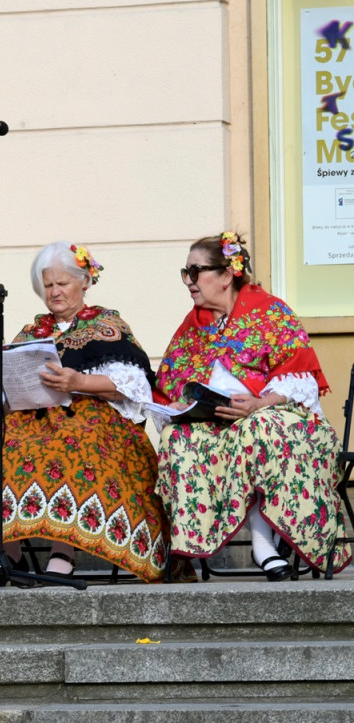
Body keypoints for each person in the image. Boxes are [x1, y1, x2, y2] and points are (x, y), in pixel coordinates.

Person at [153, 232, 350, 580]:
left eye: (196, 271)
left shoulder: (269, 311)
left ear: (227, 274)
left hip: (279, 419)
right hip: (217, 425)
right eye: (185, 272)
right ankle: (189, 546)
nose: (189, 281)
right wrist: (186, 406)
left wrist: (259, 403)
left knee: (254, 428)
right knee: (176, 438)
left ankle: (263, 545)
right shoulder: (193, 325)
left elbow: (300, 376)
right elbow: (171, 380)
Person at [0, 242, 169, 584]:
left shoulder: (108, 325)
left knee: (71, 445)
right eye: (48, 285)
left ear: (84, 282)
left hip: (93, 419)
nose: (55, 292)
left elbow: (135, 386)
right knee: (0, 447)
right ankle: (10, 550)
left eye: (62, 284)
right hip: (32, 417)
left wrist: (78, 380)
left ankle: (62, 553)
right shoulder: (31, 332)